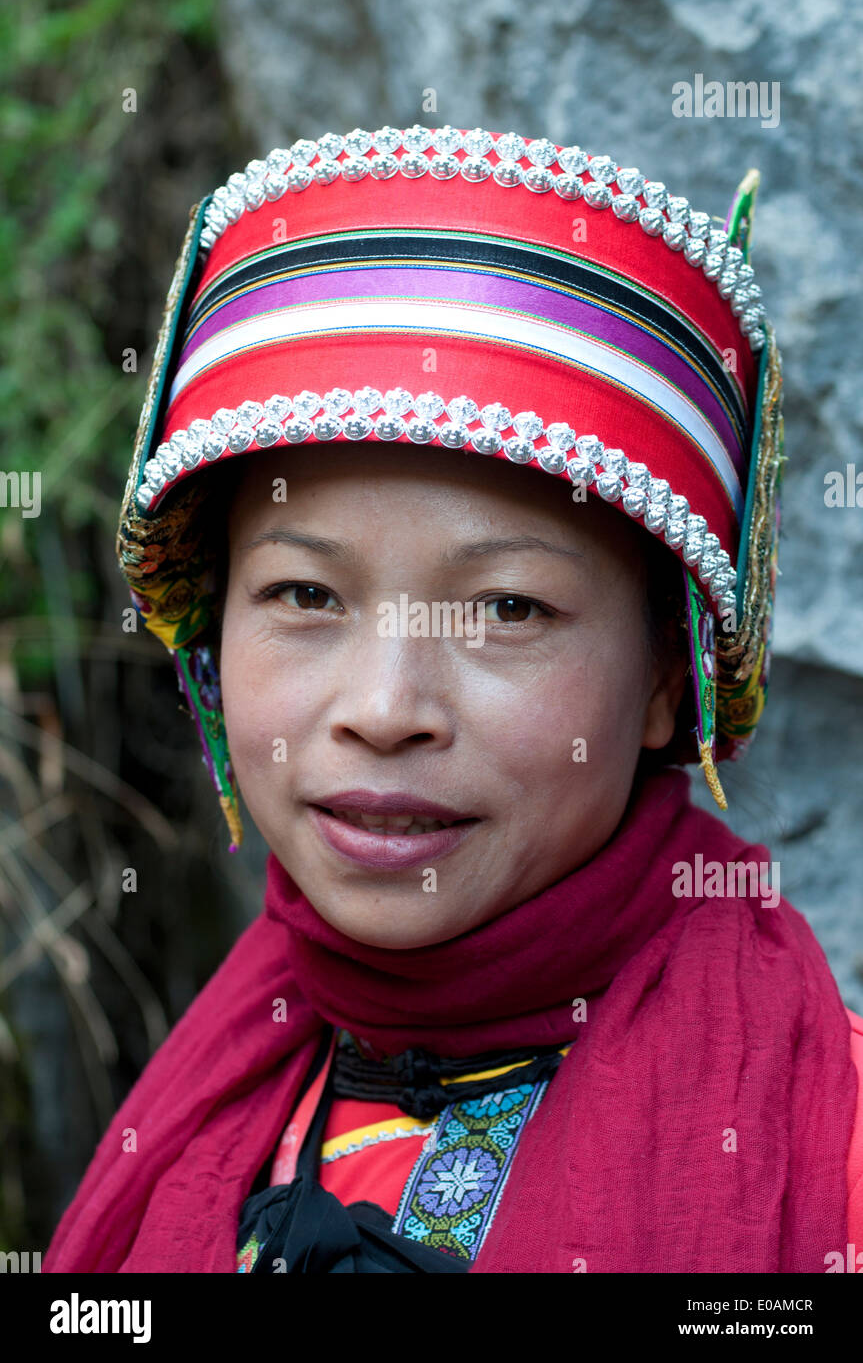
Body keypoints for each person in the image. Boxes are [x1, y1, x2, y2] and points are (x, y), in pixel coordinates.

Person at [43, 124, 863, 1274]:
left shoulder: (831, 1150)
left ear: (668, 682)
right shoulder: (205, 1116)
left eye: (506, 610)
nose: (384, 707)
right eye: (303, 591)